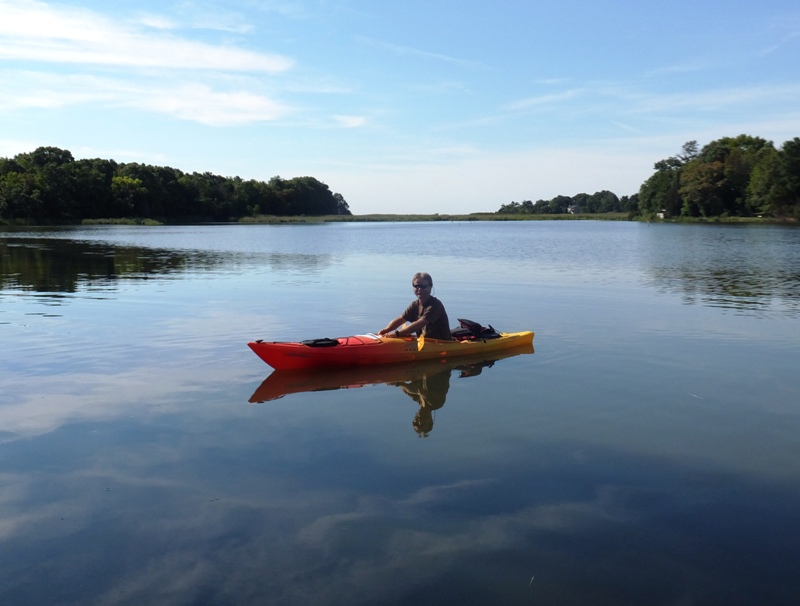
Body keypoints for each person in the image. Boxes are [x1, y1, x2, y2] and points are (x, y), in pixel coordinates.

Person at [378, 272, 452, 340]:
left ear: (430, 287)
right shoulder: (415, 305)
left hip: (441, 343)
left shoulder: (435, 305)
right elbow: (401, 319)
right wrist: (386, 330)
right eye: (416, 286)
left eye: (423, 286)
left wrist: (397, 333)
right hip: (425, 341)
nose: (419, 289)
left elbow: (420, 323)